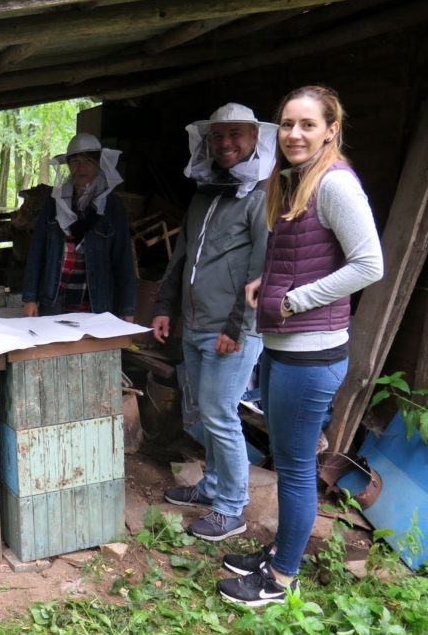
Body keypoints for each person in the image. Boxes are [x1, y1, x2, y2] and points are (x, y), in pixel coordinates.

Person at [218, 86, 383, 605]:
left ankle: (280, 577)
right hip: (290, 350)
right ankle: (279, 556)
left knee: (293, 470)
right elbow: (303, 255)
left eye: (307, 124)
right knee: (291, 464)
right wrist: (264, 286)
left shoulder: (334, 184)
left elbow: (369, 265)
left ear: (331, 129)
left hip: (311, 355)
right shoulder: (294, 182)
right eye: (287, 124)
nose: (295, 133)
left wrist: (291, 301)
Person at [153, 103, 276, 540]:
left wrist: (235, 329)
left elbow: (262, 272)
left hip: (231, 331)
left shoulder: (261, 197)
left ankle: (231, 507)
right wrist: (166, 305)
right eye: (218, 136)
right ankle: (211, 487)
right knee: (206, 412)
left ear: (255, 139)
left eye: (236, 135)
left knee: (221, 414)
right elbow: (183, 256)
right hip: (196, 323)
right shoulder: (205, 194)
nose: (225, 143)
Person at [21, 132, 135, 320]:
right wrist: (30, 298)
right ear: (68, 165)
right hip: (54, 300)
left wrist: (127, 310)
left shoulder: (113, 207)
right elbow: (36, 252)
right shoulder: (53, 204)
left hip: (95, 304)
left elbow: (123, 261)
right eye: (75, 162)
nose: (81, 168)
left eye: (88, 161)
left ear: (99, 164)